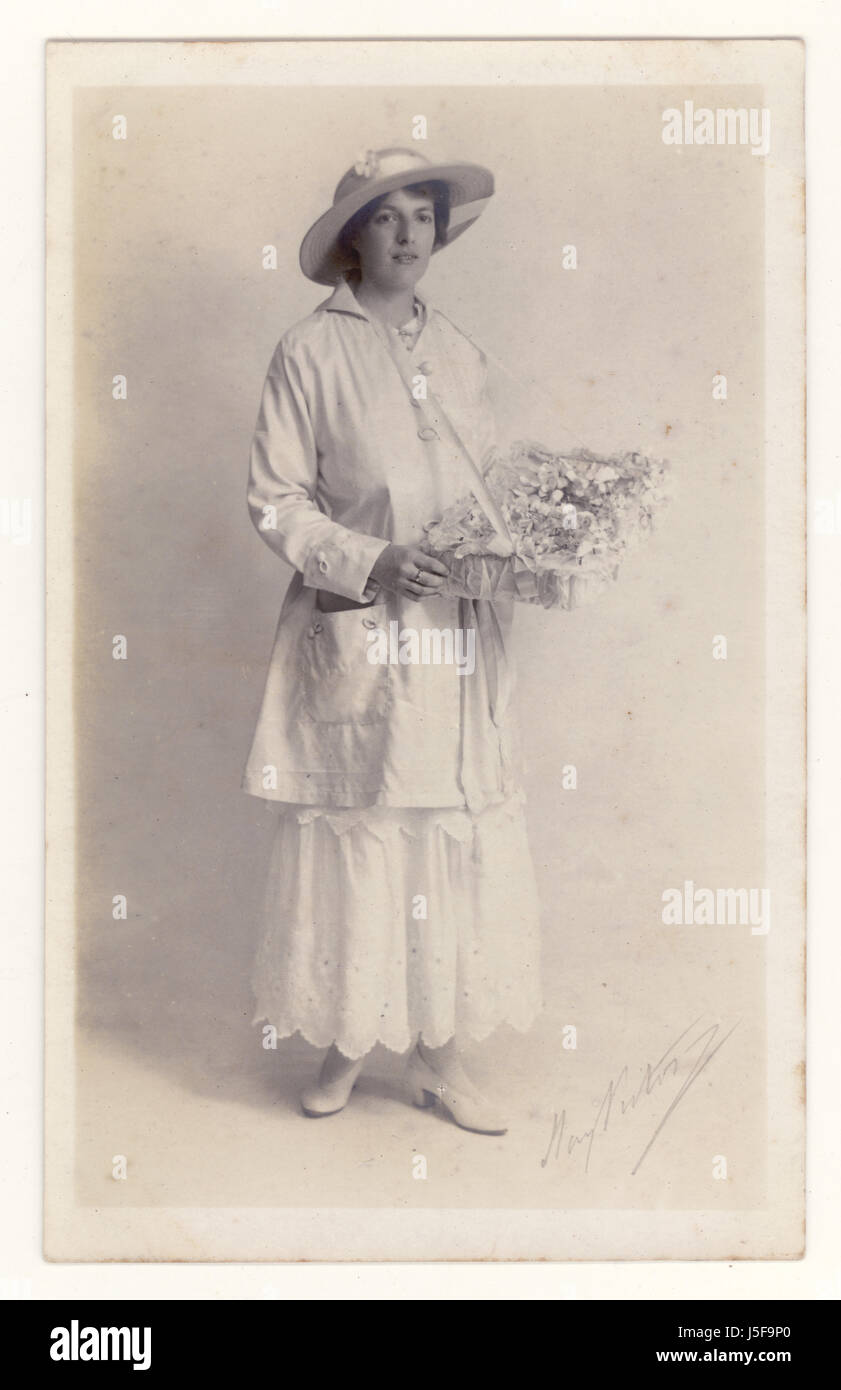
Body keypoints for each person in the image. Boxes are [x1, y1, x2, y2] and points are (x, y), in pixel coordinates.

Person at [243, 146, 542, 1134]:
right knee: (369, 823)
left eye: (424, 213)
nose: (410, 232)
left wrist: (528, 540)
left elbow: (497, 487)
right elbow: (275, 498)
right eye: (387, 216)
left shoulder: (458, 353)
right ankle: (346, 1041)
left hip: (455, 636)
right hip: (362, 635)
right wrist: (367, 560)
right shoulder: (308, 353)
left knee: (440, 826)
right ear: (351, 239)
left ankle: (440, 1057)